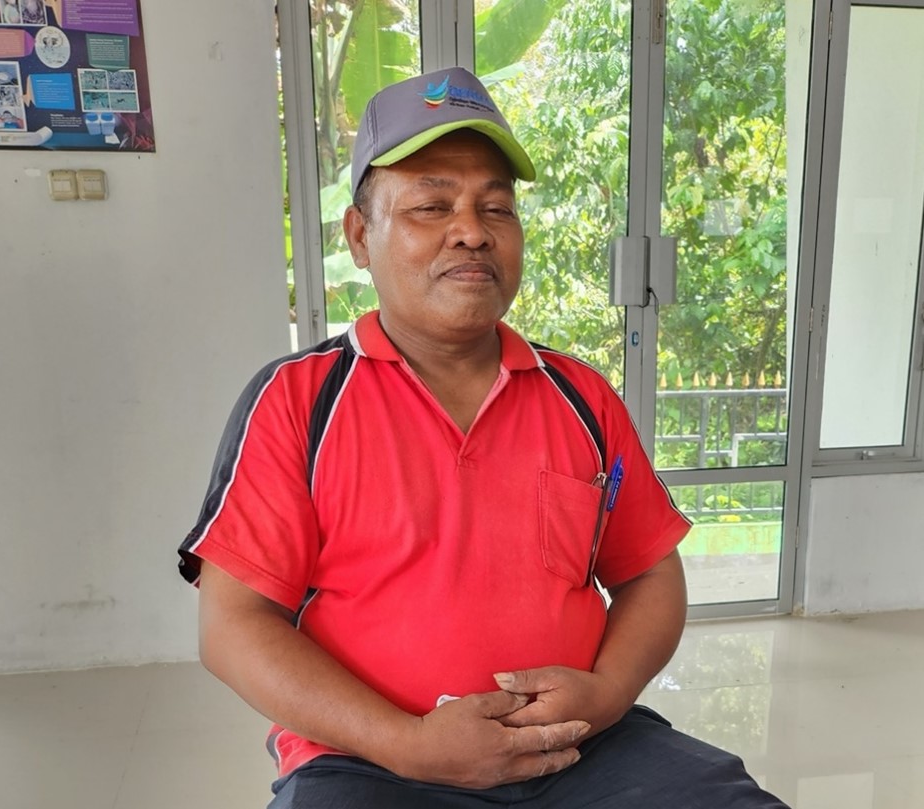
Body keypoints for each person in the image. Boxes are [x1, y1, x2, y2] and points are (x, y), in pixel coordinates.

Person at [178, 66, 790, 808]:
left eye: (494, 207)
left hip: (582, 743)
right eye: (432, 204)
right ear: (360, 235)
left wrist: (605, 693)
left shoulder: (580, 397)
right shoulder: (297, 402)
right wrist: (405, 742)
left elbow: (648, 573)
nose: (471, 230)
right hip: (369, 760)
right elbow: (233, 625)